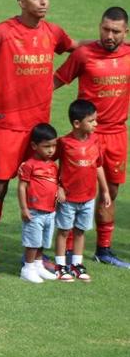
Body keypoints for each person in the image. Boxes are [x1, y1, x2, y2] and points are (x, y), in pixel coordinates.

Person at [0, 0, 77, 277]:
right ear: (21, 2)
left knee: (42, 190)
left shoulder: (53, 32)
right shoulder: (3, 32)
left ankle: (34, 258)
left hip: (39, 131)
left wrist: (54, 82)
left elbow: (76, 50)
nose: (43, 2)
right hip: (5, 127)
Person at [54, 6, 130, 268]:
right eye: (105, 29)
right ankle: (69, 252)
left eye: (116, 31)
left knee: (112, 191)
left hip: (118, 134)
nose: (109, 35)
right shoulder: (84, 54)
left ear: (126, 32)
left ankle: (104, 249)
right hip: (88, 137)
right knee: (77, 192)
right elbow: (56, 80)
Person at [53, 100, 110, 282]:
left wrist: (105, 191)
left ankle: (77, 265)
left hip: (88, 198)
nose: (96, 124)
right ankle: (61, 267)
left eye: (95, 120)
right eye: (91, 121)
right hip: (68, 199)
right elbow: (47, 163)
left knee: (80, 231)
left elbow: (98, 165)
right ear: (77, 123)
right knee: (63, 231)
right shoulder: (64, 143)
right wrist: (57, 186)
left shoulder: (95, 140)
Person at [16, 123, 60, 283]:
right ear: (34, 146)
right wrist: (24, 208)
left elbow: (55, 184)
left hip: (50, 211)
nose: (51, 150)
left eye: (54, 146)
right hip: (34, 211)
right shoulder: (29, 165)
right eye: (46, 146)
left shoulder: (53, 166)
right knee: (32, 243)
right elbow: (22, 187)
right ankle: (27, 269)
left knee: (42, 241)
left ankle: (38, 265)